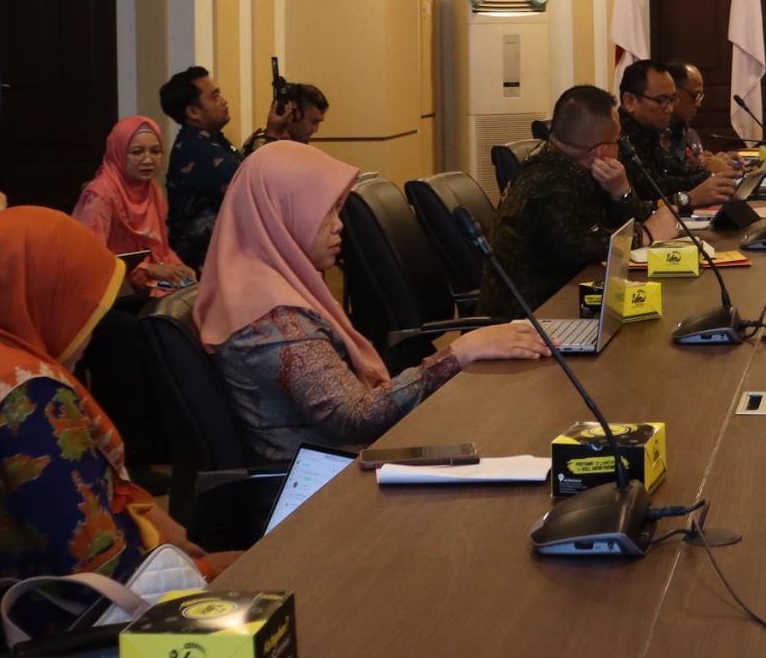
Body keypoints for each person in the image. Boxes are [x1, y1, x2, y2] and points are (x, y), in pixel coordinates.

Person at [0, 207, 232, 597]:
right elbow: (107, 572)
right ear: (38, 296)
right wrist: (206, 570)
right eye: (82, 307)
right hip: (75, 614)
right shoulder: (28, 399)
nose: (90, 332)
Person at [203, 140, 549, 454]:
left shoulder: (267, 285)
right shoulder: (273, 320)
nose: (339, 224)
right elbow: (354, 419)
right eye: (325, 212)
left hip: (348, 465)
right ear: (281, 213)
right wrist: (460, 353)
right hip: (327, 487)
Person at [493, 85, 682, 311]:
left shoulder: (578, 164)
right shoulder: (546, 185)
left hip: (572, 296)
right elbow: (578, 248)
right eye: (618, 141)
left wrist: (621, 191)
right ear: (601, 150)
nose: (621, 148)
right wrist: (645, 234)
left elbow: (621, 222)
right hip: (533, 315)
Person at [72, 115, 195, 293]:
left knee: (197, 293)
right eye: (137, 152)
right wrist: (149, 270)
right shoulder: (100, 194)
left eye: (155, 151)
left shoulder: (152, 189)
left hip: (149, 284)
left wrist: (179, 267)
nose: (148, 160)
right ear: (119, 153)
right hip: (113, 289)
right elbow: (92, 258)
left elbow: (161, 249)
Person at [616, 58, 735, 210]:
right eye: (661, 100)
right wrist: (707, 175)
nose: (670, 109)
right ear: (629, 101)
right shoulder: (617, 137)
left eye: (672, 99)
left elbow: (675, 171)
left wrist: (712, 169)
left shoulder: (648, 131)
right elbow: (653, 188)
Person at [162, 67, 242, 267]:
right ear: (193, 112)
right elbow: (251, 179)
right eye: (215, 97)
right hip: (197, 269)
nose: (224, 101)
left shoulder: (212, 140)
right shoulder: (194, 148)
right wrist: (273, 134)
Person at [662, 60, 739, 178]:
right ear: (674, 91)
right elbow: (664, 184)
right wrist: (702, 172)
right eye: (695, 96)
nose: (698, 104)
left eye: (700, 97)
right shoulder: (652, 137)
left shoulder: (690, 135)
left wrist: (720, 161)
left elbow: (700, 165)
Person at [242, 81, 330, 155]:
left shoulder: (298, 141)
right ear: (296, 112)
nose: (315, 130)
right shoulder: (262, 141)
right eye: (314, 122)